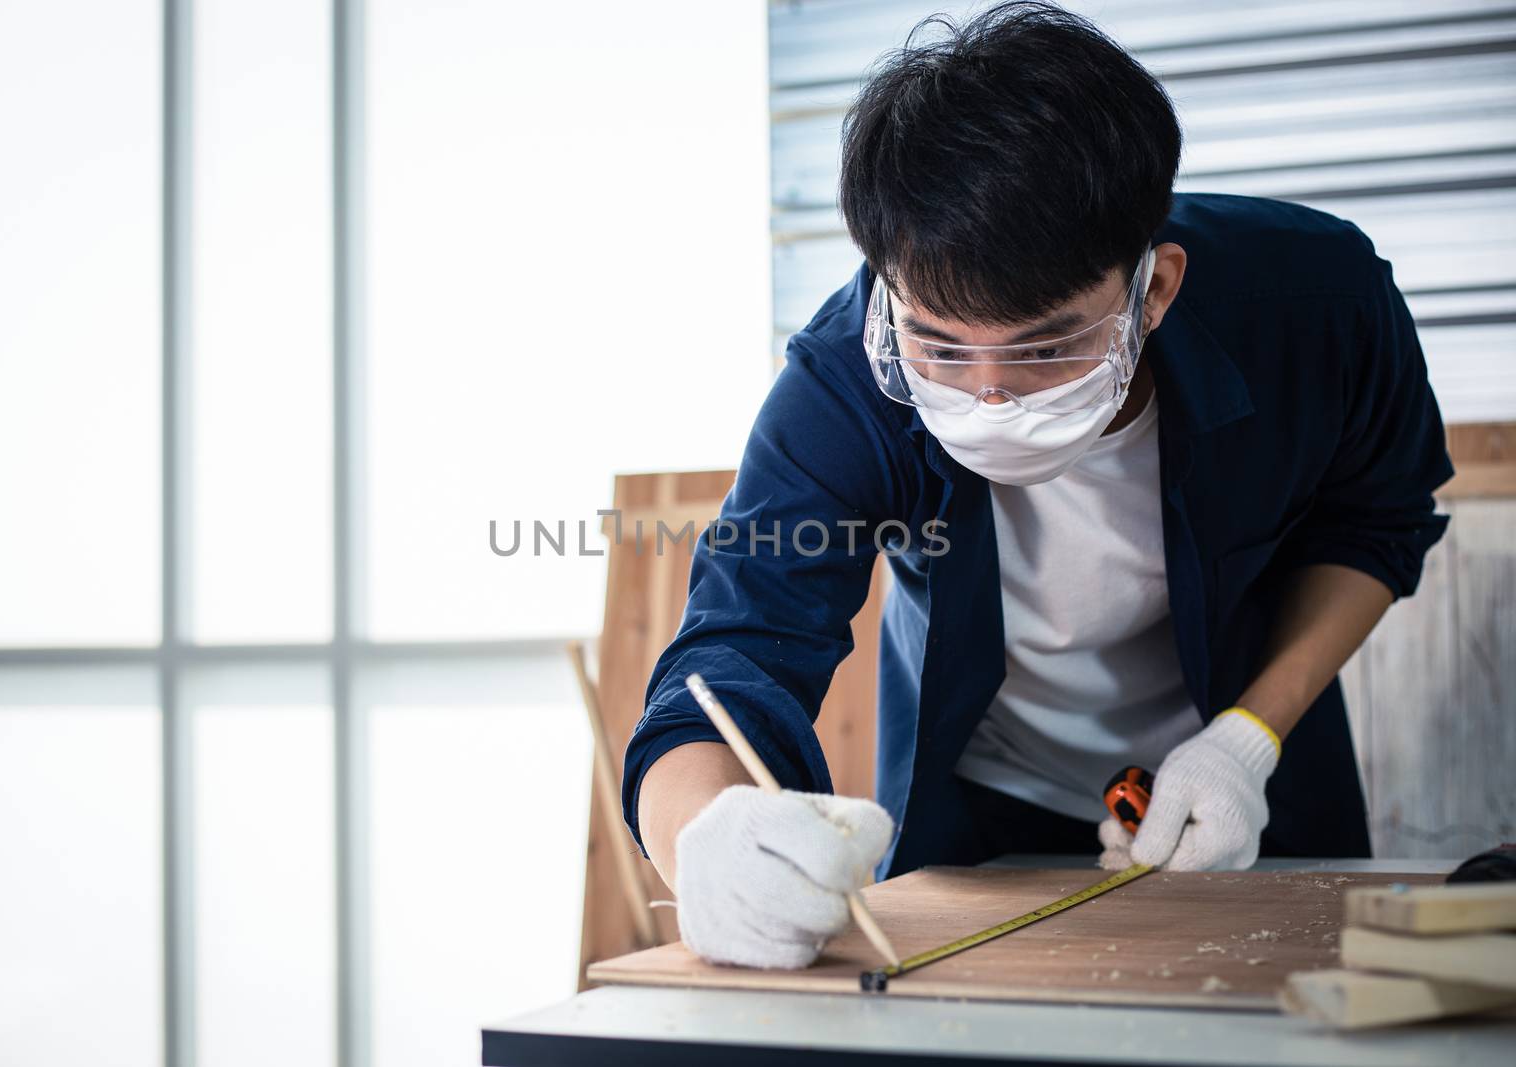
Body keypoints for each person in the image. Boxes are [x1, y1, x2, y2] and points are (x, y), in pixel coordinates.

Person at [621, 2, 1452, 970]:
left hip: (1236, 772)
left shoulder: (1315, 305)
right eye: (937, 342)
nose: (988, 393)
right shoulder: (841, 379)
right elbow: (733, 648)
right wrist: (704, 834)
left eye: (1046, 346)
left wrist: (1247, 738)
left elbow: (1372, 524)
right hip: (981, 802)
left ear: (1154, 287)